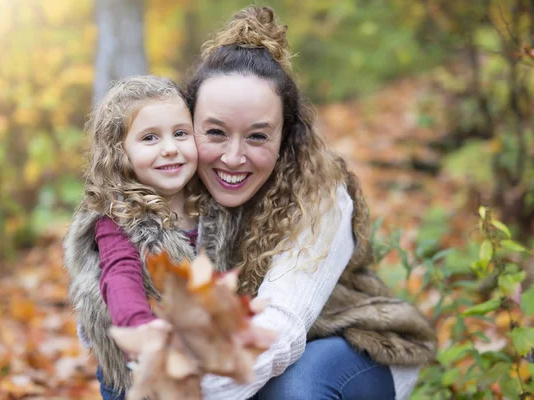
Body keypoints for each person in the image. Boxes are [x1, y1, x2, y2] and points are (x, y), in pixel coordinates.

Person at [183, 6, 437, 400]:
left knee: (294, 390)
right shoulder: (167, 184)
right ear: (189, 125)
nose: (233, 157)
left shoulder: (319, 195)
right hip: (235, 363)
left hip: (349, 340)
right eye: (215, 132)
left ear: (285, 137)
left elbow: (279, 329)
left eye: (256, 137)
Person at [63, 75, 203, 399]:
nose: (170, 149)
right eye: (150, 138)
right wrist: (141, 330)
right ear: (120, 152)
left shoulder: (210, 206)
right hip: (137, 373)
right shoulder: (119, 218)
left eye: (180, 133)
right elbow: (119, 278)